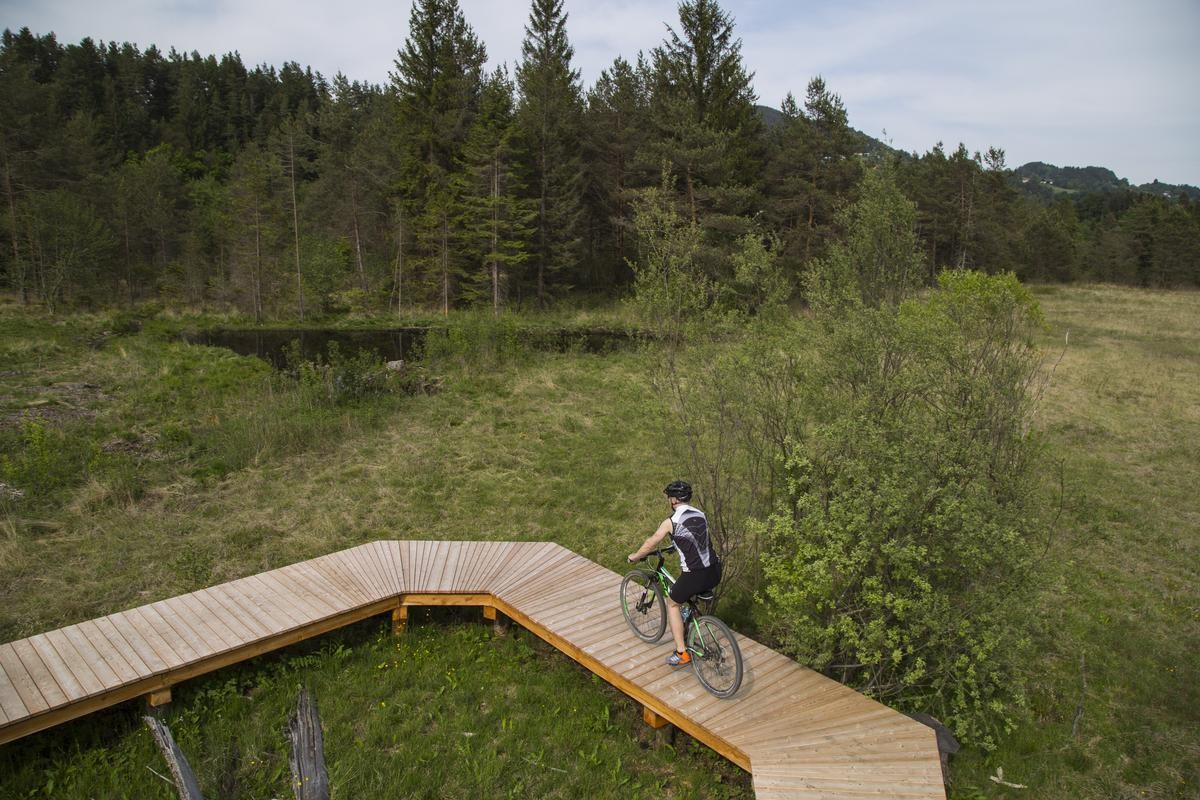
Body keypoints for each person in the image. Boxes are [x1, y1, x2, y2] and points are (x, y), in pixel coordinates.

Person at [627, 480, 721, 666]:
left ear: (674, 500)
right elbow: (695, 539)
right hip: (715, 571)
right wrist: (676, 545)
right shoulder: (701, 514)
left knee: (672, 604)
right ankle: (690, 613)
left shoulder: (671, 522)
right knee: (686, 593)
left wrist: (636, 557)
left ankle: (681, 653)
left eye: (669, 497)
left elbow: (651, 542)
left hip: (695, 575)